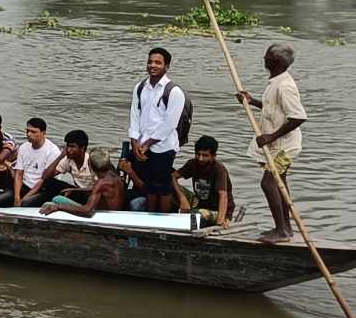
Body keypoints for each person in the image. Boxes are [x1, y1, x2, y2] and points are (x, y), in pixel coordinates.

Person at [234, 43, 306, 242]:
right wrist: (251, 101)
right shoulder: (275, 82)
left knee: (268, 183)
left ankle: (281, 231)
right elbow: (272, 108)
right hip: (278, 145)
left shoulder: (285, 86)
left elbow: (298, 117)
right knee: (280, 183)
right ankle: (286, 229)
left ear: (274, 62)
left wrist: (272, 136)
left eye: (267, 56)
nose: (264, 58)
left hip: (285, 147)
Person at [126, 45, 189, 216]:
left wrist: (147, 143)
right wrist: (134, 141)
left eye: (158, 63)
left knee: (162, 186)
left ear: (166, 67)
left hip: (164, 147)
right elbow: (135, 114)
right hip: (141, 145)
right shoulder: (140, 87)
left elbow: (169, 124)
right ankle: (150, 216)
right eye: (150, 62)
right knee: (150, 184)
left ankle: (162, 219)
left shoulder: (174, 92)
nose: (152, 65)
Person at [42, 150, 128, 217]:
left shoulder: (101, 183)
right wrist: (76, 190)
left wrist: (58, 207)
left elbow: (87, 211)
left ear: (90, 165)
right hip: (116, 212)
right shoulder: (115, 177)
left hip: (104, 215)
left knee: (57, 199)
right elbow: (105, 190)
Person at [172, 134, 233, 226]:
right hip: (199, 203)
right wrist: (182, 198)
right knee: (168, 187)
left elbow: (223, 196)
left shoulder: (219, 169)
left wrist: (220, 222)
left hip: (217, 210)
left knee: (197, 215)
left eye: (205, 155)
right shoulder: (192, 164)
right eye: (198, 154)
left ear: (213, 156)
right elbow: (173, 176)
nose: (200, 158)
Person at [29, 129, 94, 207]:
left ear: (82, 148)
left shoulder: (91, 162)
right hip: (78, 192)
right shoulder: (68, 160)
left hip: (91, 195)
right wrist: (60, 157)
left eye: (72, 147)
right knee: (49, 182)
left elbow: (100, 187)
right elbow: (45, 177)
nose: (68, 150)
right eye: (68, 146)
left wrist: (74, 190)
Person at [12, 117, 63, 207]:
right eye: (27, 131)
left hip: (42, 189)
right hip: (24, 186)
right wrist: (16, 197)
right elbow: (19, 173)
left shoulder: (52, 151)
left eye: (33, 132)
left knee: (25, 204)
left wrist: (22, 200)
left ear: (43, 133)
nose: (28, 134)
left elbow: (43, 180)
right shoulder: (23, 147)